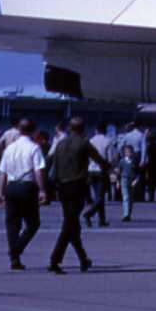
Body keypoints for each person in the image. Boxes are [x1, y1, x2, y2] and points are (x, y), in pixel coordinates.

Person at [48, 117, 111, 273]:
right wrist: (110, 168)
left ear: (69, 128)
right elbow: (99, 160)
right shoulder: (84, 143)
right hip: (77, 186)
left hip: (62, 187)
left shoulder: (60, 144)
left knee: (72, 224)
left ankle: (83, 259)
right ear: (82, 129)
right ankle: (54, 260)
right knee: (69, 224)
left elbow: (53, 165)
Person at [0, 119, 48, 269]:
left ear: (19, 130)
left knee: (12, 224)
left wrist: (0, 192)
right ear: (33, 131)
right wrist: (43, 189)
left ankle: (15, 259)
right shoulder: (34, 148)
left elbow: (1, 172)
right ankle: (16, 250)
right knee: (33, 223)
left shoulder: (9, 148)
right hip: (27, 187)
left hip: (11, 187)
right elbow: (39, 170)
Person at [117, 120, 147, 222]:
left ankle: (126, 211)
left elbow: (120, 146)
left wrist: (122, 155)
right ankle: (137, 196)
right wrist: (143, 159)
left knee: (126, 190)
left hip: (126, 155)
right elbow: (144, 147)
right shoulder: (141, 135)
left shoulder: (127, 135)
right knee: (136, 177)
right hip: (137, 155)